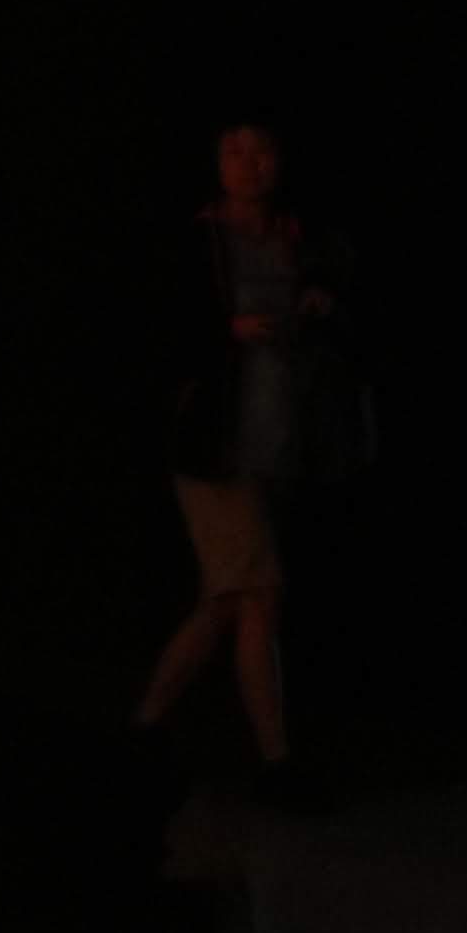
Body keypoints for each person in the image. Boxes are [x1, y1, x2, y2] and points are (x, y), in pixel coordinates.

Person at [138, 120, 329, 779]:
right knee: (257, 595)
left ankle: (147, 724)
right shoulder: (200, 240)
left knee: (226, 600)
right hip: (217, 447)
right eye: (236, 151)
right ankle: (275, 758)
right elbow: (166, 330)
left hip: (274, 443)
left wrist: (312, 305)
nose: (252, 163)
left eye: (263, 149)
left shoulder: (297, 235)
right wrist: (228, 331)